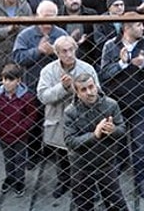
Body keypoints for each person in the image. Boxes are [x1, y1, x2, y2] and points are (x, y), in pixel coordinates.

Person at [100, 16, 144, 198]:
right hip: (117, 103)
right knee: (117, 138)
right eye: (138, 24)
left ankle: (141, 179)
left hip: (143, 102)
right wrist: (121, 64)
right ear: (127, 28)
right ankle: (121, 162)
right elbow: (104, 74)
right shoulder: (110, 46)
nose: (143, 27)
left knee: (140, 144)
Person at [37, 35, 100, 199]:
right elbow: (43, 96)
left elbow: (97, 93)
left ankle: (87, 186)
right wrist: (62, 88)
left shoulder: (87, 69)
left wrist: (78, 91)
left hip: (83, 120)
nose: (69, 54)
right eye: (64, 51)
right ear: (57, 53)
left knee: (85, 154)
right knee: (62, 155)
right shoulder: (48, 71)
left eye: (71, 49)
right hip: (59, 120)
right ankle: (64, 182)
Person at [64, 73, 129, 211]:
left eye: (91, 87)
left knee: (117, 203)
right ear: (77, 93)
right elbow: (70, 141)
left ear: (96, 86)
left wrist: (113, 130)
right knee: (83, 205)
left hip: (106, 164)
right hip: (82, 166)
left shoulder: (111, 105)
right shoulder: (70, 112)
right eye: (83, 89)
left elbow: (122, 129)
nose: (89, 92)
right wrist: (94, 135)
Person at [0, 63, 37, 196]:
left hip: (20, 136)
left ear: (18, 81)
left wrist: (21, 128)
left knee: (20, 159)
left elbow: (31, 116)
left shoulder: (26, 97)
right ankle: (10, 178)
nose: (7, 83)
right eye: (5, 79)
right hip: (3, 134)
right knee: (8, 158)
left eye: (11, 80)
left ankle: (20, 181)